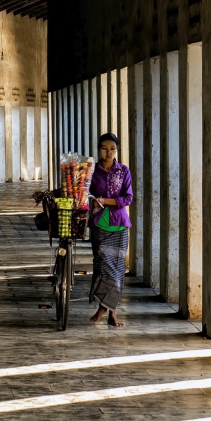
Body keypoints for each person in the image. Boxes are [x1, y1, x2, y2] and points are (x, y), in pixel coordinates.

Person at [88, 133, 132, 327]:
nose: (108, 152)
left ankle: (109, 312)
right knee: (102, 266)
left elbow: (127, 198)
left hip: (120, 224)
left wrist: (106, 201)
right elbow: (82, 190)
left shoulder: (123, 171)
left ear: (117, 150)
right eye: (104, 148)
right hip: (99, 223)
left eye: (112, 148)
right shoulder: (91, 171)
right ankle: (103, 308)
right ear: (99, 149)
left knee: (117, 269)